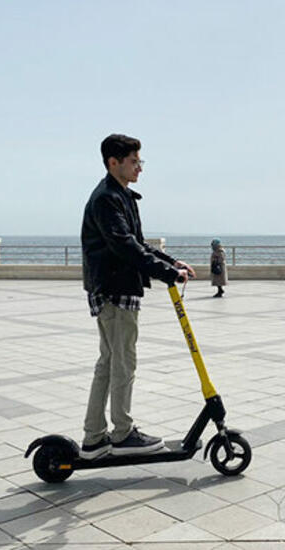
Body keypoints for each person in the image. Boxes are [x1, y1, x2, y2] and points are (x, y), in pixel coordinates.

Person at [80, 133, 196, 459]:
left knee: (108, 363)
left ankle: (93, 437)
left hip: (116, 289)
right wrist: (169, 274)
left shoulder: (121, 196)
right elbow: (125, 246)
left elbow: (139, 243)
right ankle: (122, 434)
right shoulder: (106, 199)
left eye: (139, 161)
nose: (139, 168)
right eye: (134, 161)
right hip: (115, 291)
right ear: (113, 162)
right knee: (122, 363)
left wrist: (172, 263)